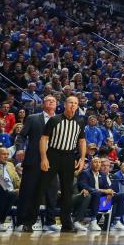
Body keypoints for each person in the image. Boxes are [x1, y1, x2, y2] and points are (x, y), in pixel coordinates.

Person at [23, 95, 86, 233]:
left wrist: (82, 158)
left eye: (76, 103)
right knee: (40, 189)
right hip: (53, 154)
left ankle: (66, 224)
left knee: (67, 192)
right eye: (71, 102)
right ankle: (28, 222)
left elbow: (81, 141)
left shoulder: (80, 121)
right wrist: (44, 158)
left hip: (69, 157)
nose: (73, 105)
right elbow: (43, 139)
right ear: (65, 104)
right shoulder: (54, 119)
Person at [15, 95, 58, 230]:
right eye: (48, 100)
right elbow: (21, 136)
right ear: (43, 104)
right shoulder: (33, 118)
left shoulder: (60, 120)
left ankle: (50, 223)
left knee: (52, 192)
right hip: (34, 160)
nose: (51, 102)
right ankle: (23, 222)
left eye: (54, 101)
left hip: (53, 161)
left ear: (56, 104)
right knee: (28, 192)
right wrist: (20, 149)